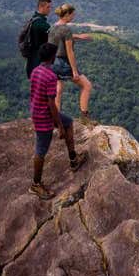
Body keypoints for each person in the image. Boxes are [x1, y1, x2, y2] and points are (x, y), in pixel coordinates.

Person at [29, 43, 87, 199]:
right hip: (44, 115)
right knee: (41, 150)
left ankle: (73, 159)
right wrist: (59, 125)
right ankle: (35, 185)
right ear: (52, 57)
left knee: (69, 122)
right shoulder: (50, 76)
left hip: (36, 111)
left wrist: (62, 123)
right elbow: (51, 105)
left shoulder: (36, 71)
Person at [48, 3, 97, 126]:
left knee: (58, 90)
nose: (73, 17)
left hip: (53, 63)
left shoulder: (53, 27)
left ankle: (55, 118)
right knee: (87, 85)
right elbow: (70, 52)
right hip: (64, 63)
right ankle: (84, 117)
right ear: (67, 15)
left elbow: (61, 37)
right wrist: (74, 71)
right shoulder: (66, 29)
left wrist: (79, 37)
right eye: (72, 14)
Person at [24, 0, 53, 78]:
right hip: (39, 65)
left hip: (31, 63)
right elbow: (56, 36)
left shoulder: (32, 20)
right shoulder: (41, 24)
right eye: (48, 7)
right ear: (41, 7)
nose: (50, 9)